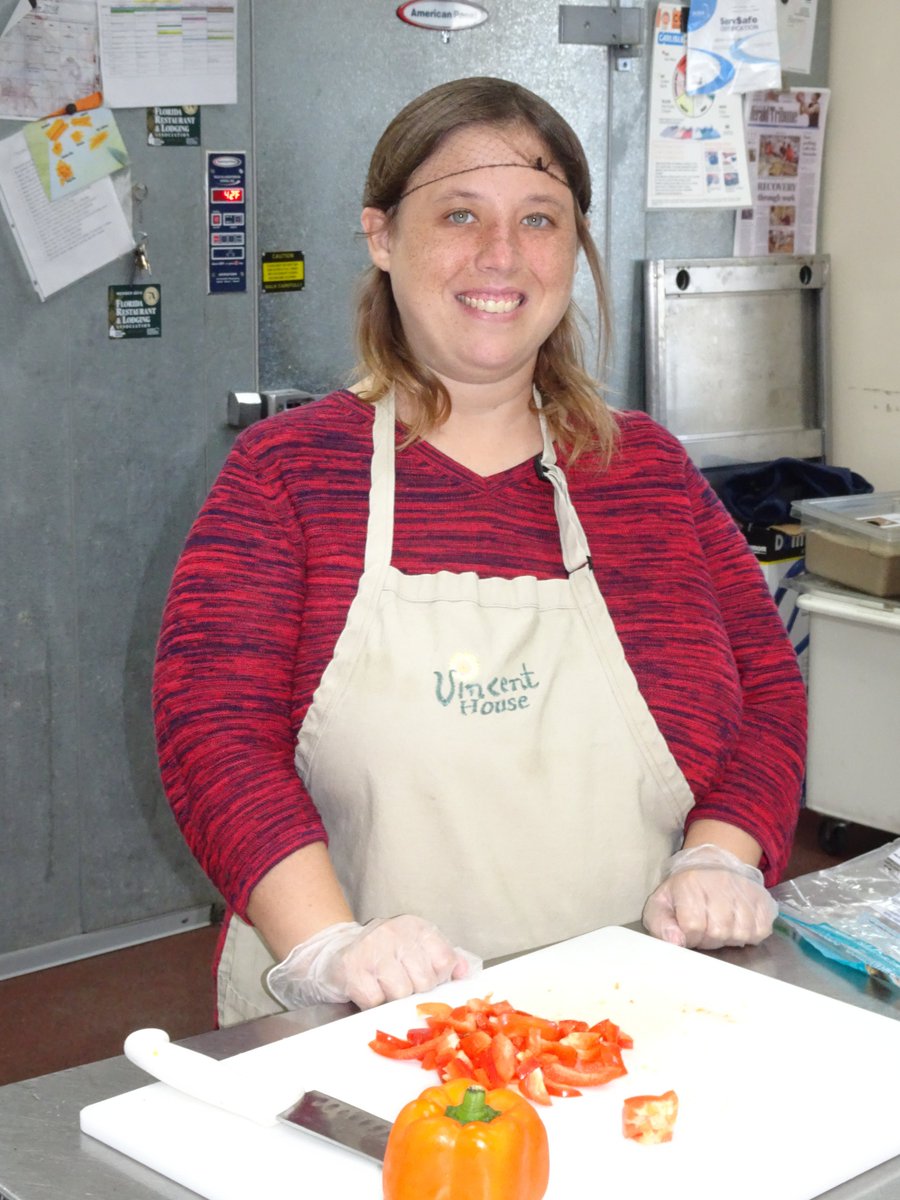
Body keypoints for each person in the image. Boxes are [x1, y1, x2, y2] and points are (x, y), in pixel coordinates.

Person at [153, 77, 807, 1027]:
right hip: (359, 1027)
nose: (501, 255)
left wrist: (722, 851)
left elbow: (769, 692)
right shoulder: (287, 476)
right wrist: (329, 945)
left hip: (633, 1008)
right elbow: (212, 732)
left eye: (540, 220)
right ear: (382, 237)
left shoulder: (649, 475)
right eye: (460, 213)